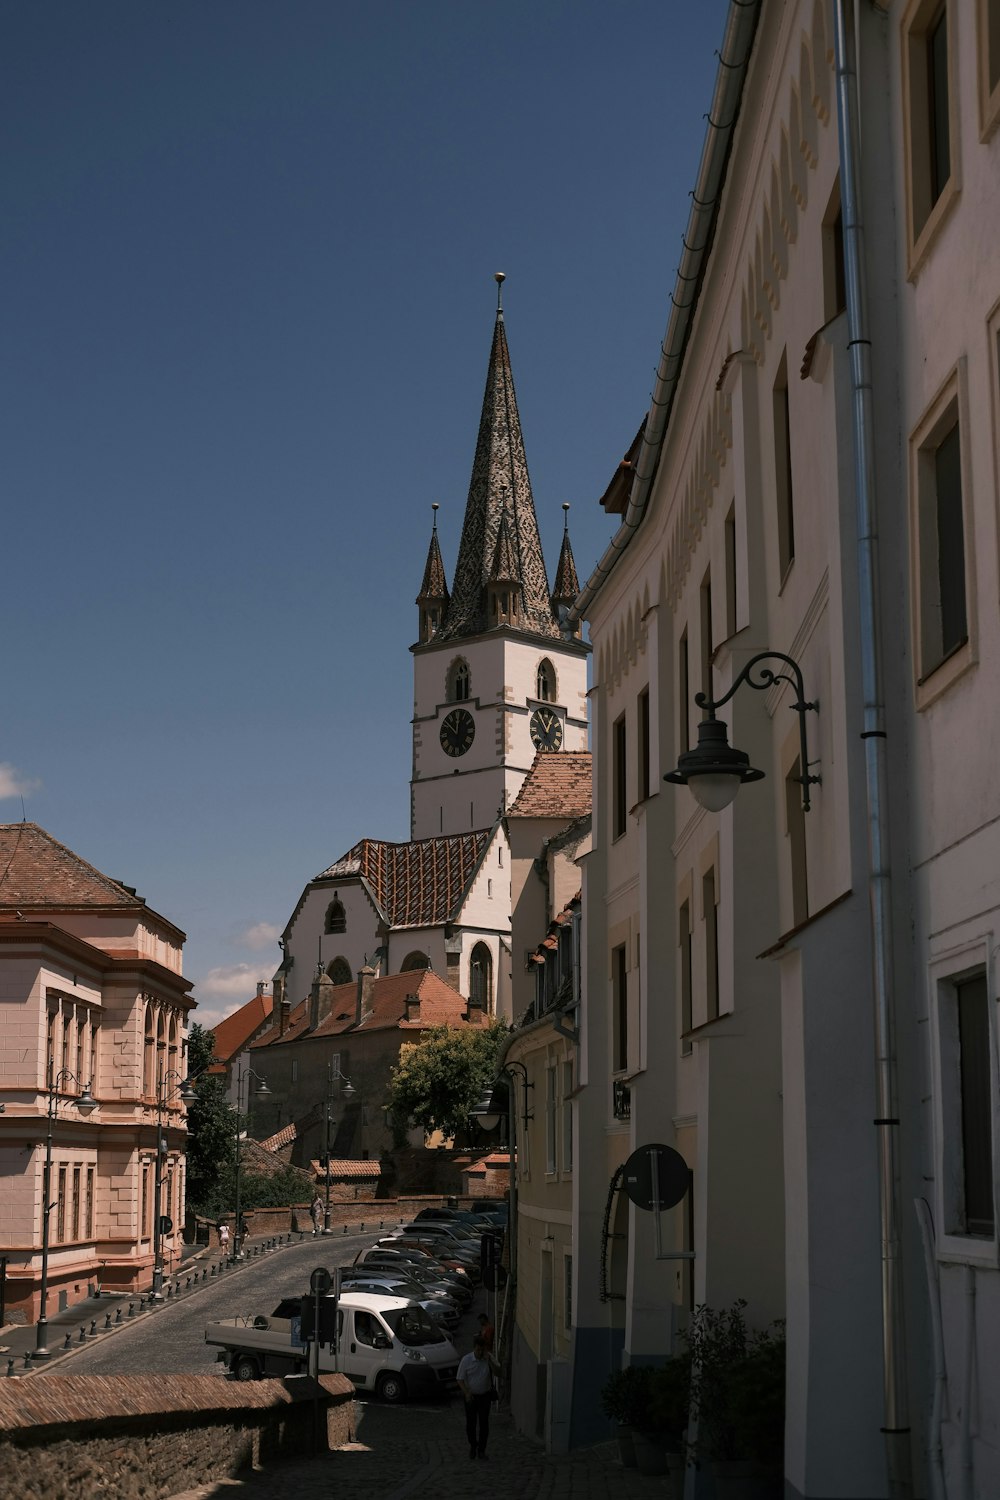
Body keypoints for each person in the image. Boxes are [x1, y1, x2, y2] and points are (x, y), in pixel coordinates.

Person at [456, 1337, 499, 1460]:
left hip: (485, 1396)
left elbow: (498, 1372)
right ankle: (473, 1445)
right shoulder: (467, 1360)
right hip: (471, 1397)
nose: (480, 1353)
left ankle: (481, 1450)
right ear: (474, 1348)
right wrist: (466, 1393)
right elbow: (459, 1379)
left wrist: (490, 1361)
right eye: (478, 1350)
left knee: (484, 1424)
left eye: (482, 1350)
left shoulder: (488, 1358)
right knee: (471, 1424)